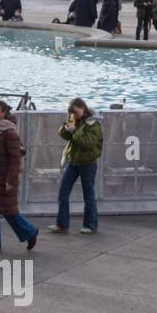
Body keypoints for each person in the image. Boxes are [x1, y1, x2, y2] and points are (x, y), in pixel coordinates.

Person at [0, 101, 38, 253]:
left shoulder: (10, 133)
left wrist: (11, 181)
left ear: (3, 113)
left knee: (9, 212)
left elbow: (15, 160)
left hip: (3, 180)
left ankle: (30, 231)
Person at [49, 98, 102, 235]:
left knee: (88, 195)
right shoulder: (75, 120)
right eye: (72, 113)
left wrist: (74, 131)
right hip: (73, 161)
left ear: (83, 108)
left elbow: (88, 143)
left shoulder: (93, 124)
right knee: (63, 192)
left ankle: (90, 225)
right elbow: (68, 136)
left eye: (76, 112)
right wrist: (65, 128)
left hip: (88, 163)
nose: (74, 115)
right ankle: (62, 224)